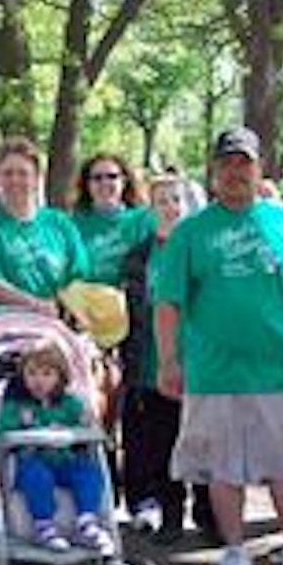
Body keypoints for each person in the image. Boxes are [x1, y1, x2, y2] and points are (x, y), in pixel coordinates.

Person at [154, 126, 283, 565]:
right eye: (227, 164)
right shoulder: (191, 232)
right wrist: (168, 360)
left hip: (279, 367)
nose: (236, 172)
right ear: (213, 172)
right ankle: (234, 552)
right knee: (221, 467)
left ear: (259, 169)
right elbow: (168, 302)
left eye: (244, 163)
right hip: (213, 371)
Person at [119, 175, 211, 544]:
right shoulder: (139, 257)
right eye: (161, 201)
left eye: (177, 200)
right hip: (152, 366)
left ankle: (208, 516)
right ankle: (170, 515)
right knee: (163, 445)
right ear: (150, 209)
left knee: (204, 443)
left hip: (201, 364)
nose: (170, 207)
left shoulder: (203, 251)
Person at [0, 343, 116, 555]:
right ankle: (44, 525)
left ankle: (87, 521)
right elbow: (3, 433)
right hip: (32, 461)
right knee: (36, 476)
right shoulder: (15, 406)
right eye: (31, 373)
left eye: (46, 373)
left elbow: (84, 425)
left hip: (64, 459)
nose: (38, 380)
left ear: (60, 377)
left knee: (88, 472)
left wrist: (83, 424)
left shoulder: (69, 404)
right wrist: (28, 432)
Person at [0, 137, 91, 315]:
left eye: (23, 173)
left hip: (60, 318)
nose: (15, 180)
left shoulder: (60, 223)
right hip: (8, 322)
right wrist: (36, 305)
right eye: (8, 173)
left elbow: (79, 273)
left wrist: (62, 305)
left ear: (36, 178)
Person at [70, 153, 155, 288]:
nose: (105, 183)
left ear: (124, 181)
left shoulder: (144, 219)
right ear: (87, 185)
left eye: (112, 176)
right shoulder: (72, 224)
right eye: (97, 178)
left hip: (132, 302)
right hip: (85, 303)